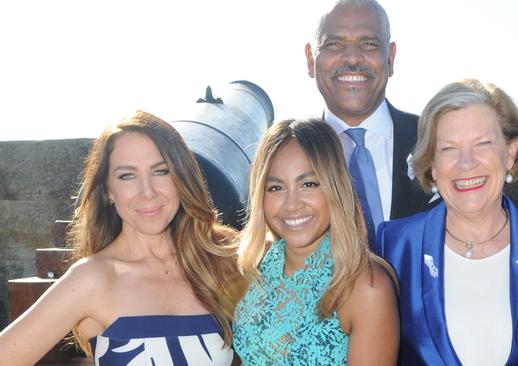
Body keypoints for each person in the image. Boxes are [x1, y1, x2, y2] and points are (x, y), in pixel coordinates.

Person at [374, 79, 518, 365]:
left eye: (483, 144)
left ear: (510, 152)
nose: (466, 163)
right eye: (449, 148)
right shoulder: (394, 245)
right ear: (433, 164)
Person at [0, 111, 244, 365]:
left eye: (161, 171)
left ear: (181, 178)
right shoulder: (91, 278)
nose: (147, 192)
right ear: (108, 190)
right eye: (127, 176)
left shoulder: (221, 261)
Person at [233, 118, 399, 365]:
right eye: (276, 188)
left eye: (308, 184)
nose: (292, 204)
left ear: (335, 187)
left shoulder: (366, 286)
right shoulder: (256, 266)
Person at [305, 0, 432, 243]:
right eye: (334, 43)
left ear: (390, 57)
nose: (352, 58)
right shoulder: (289, 156)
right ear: (311, 59)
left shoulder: (435, 140)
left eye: (369, 43)